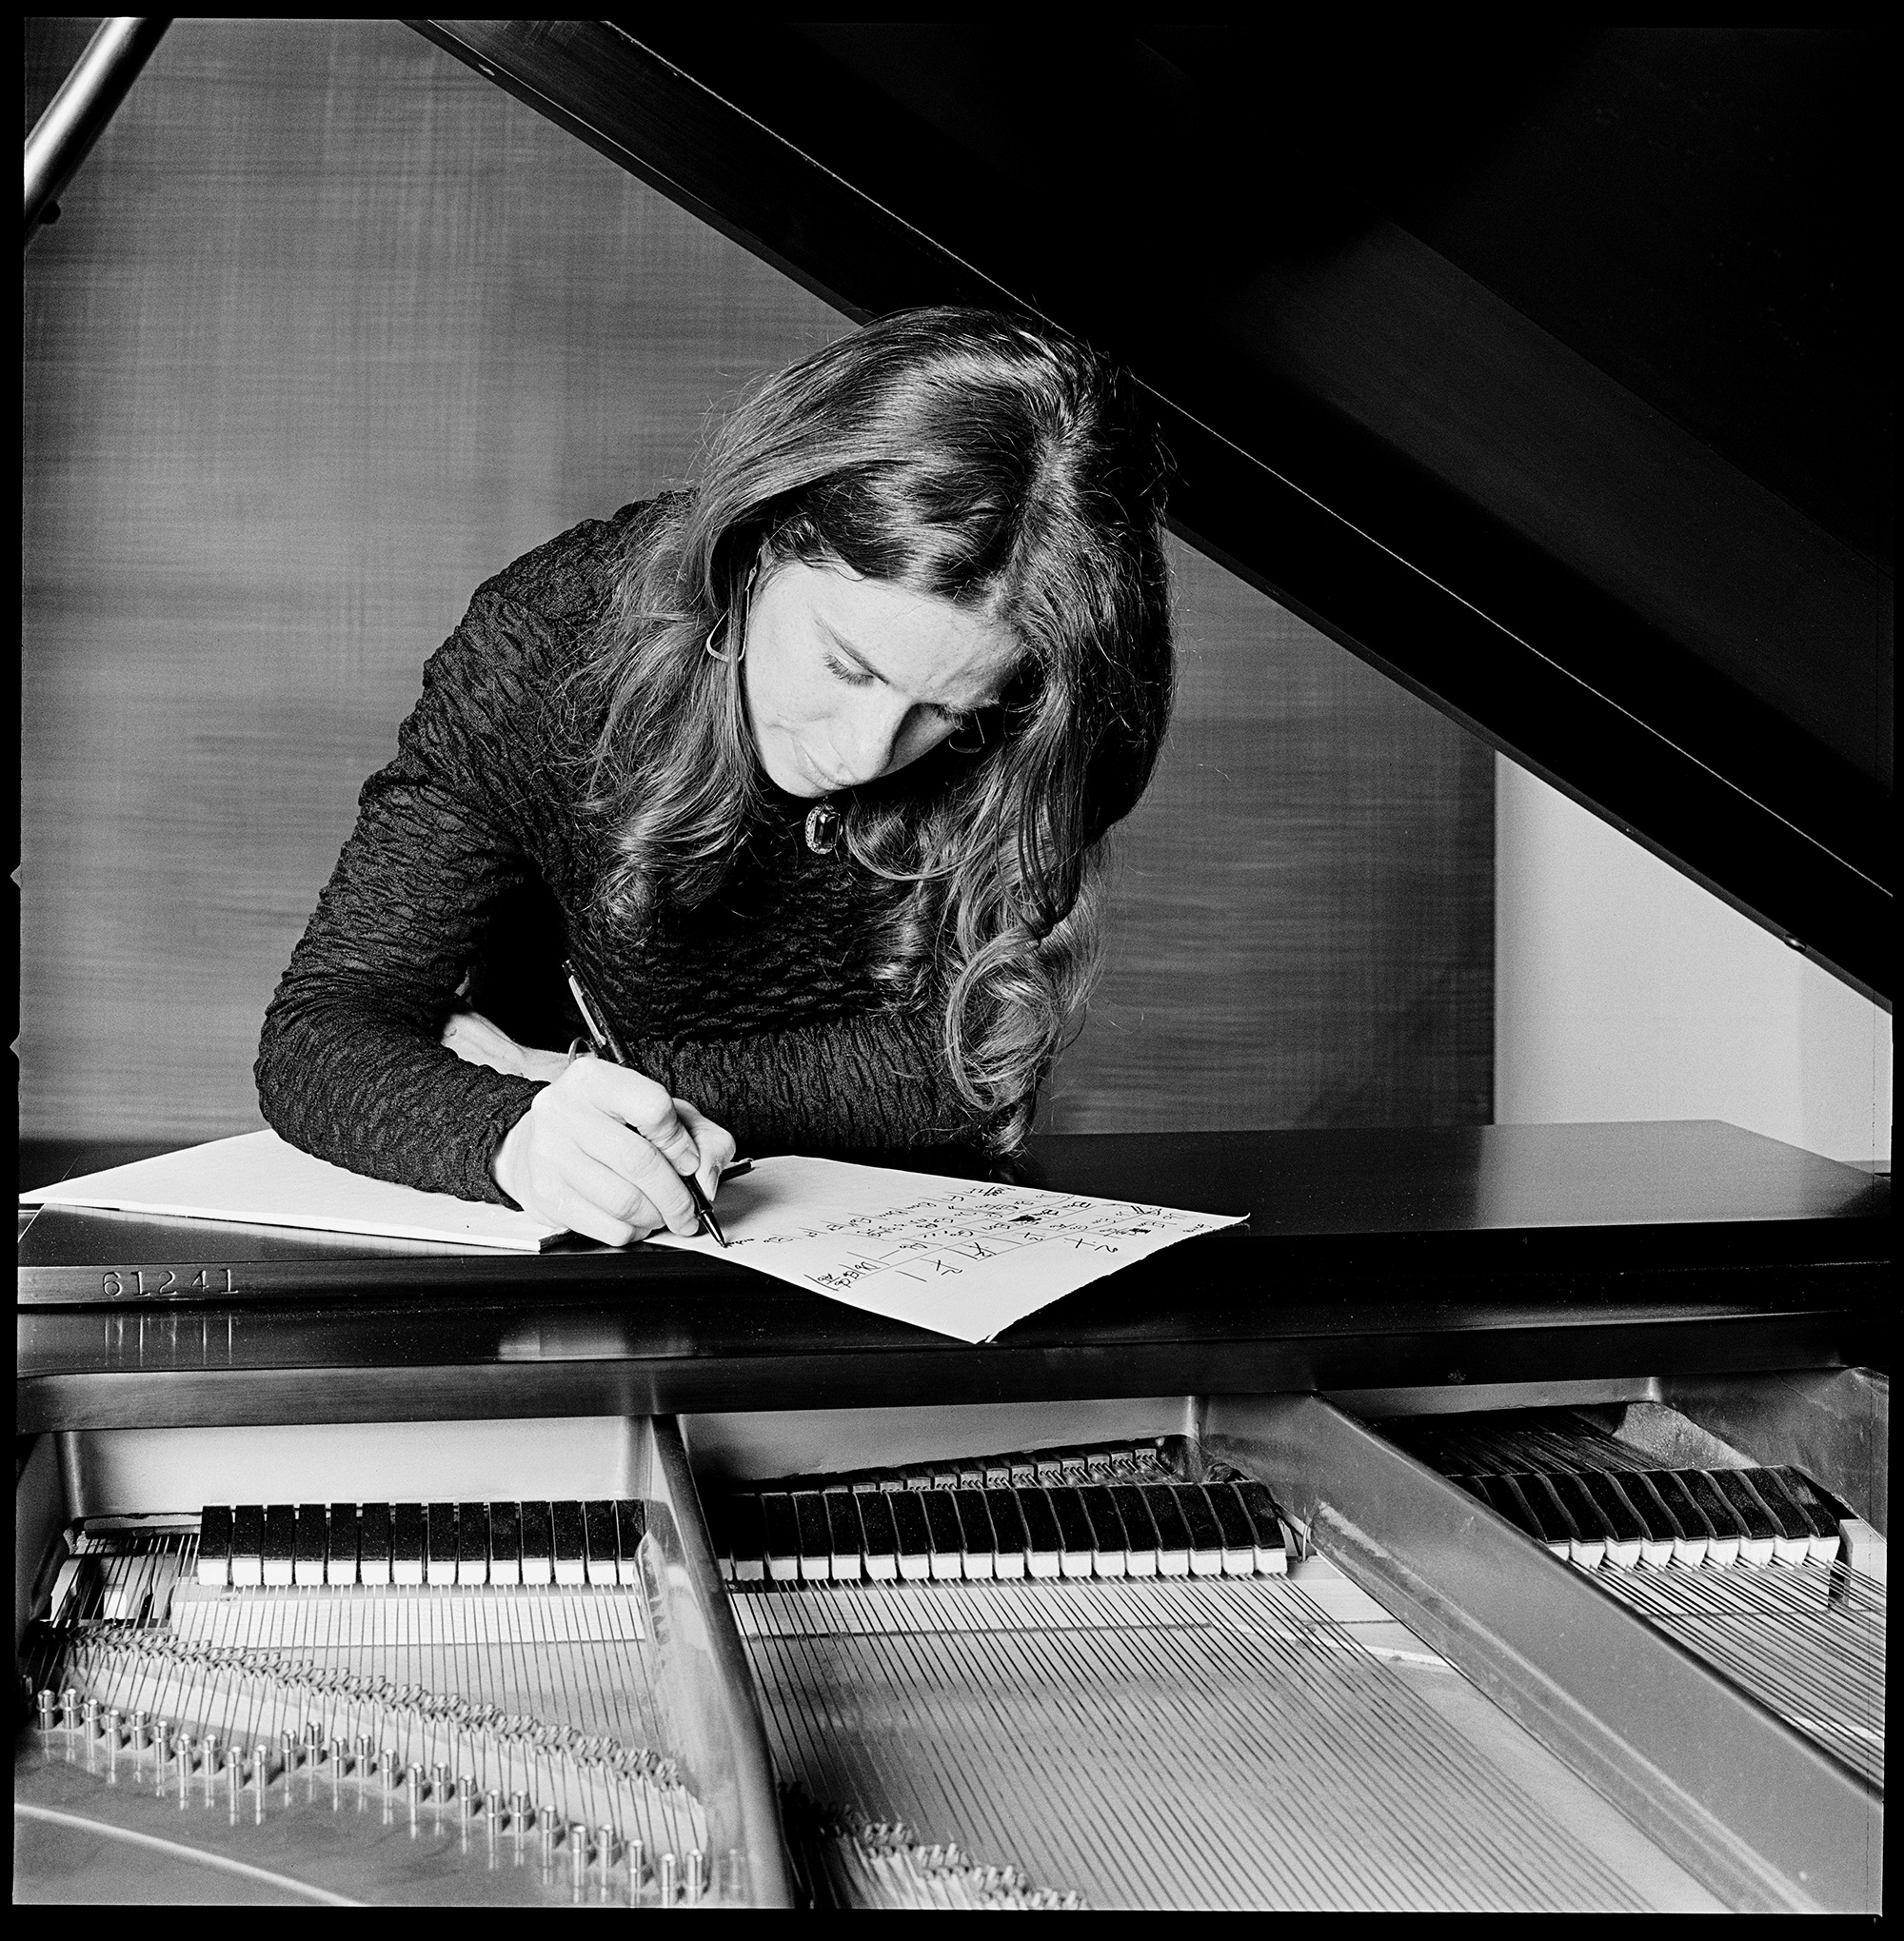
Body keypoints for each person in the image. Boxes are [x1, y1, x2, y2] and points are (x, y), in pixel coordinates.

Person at [257, 307, 1174, 1247]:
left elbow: (955, 1064)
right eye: (846, 665)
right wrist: (509, 1132)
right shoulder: (544, 647)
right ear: (748, 551)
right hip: (588, 1234)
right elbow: (323, 1027)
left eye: (947, 712)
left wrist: (570, 1076)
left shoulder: (1055, 714)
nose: (862, 752)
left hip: (911, 1242)